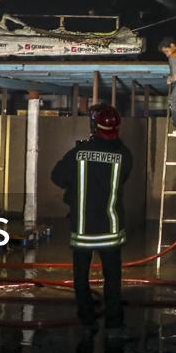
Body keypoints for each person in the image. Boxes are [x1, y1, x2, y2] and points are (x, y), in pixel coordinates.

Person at [51, 104, 133, 335]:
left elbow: (57, 176)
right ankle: (114, 323)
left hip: (83, 229)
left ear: (94, 126)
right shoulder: (124, 155)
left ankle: (87, 319)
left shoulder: (78, 153)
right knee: (113, 278)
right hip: (111, 230)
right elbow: (123, 178)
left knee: (81, 277)